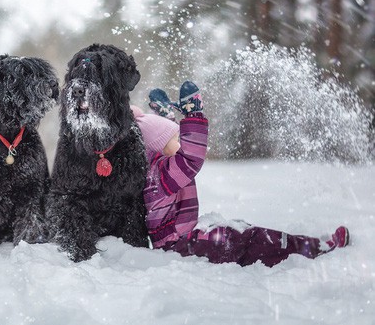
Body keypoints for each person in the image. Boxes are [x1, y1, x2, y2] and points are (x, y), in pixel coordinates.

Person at [133, 81, 349, 267]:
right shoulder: (161, 176)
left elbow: (159, 137)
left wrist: (165, 116)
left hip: (179, 241)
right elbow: (191, 158)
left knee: (241, 230)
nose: (180, 141)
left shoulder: (154, 166)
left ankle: (303, 245)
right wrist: (194, 115)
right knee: (249, 238)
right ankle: (310, 249)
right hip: (183, 246)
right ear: (160, 147)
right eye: (175, 138)